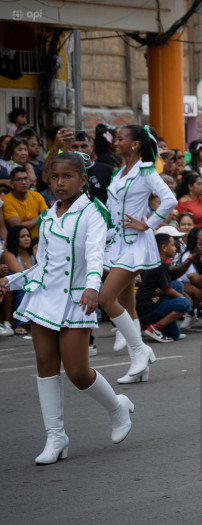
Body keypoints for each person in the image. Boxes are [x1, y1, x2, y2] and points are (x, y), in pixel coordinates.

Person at [0, 151, 134, 464]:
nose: (60, 183)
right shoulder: (47, 215)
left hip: (76, 298)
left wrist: (92, 286)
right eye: (55, 177)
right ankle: (56, 437)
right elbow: (44, 264)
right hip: (44, 298)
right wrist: (13, 282)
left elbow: (95, 253)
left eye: (68, 177)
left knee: (77, 373)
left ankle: (117, 407)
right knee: (45, 367)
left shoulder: (93, 212)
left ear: (83, 180)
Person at [99, 125, 177, 384]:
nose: (116, 141)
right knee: (127, 303)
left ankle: (141, 349)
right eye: (116, 138)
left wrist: (149, 223)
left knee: (106, 297)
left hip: (136, 244)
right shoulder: (119, 172)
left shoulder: (145, 171)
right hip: (118, 243)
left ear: (135, 144)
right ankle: (139, 365)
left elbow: (169, 200)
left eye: (121, 138)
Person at [135, 233, 192, 351]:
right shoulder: (162, 265)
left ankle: (149, 324)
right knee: (185, 304)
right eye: (172, 245)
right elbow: (167, 290)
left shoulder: (152, 261)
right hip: (148, 307)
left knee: (174, 335)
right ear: (164, 248)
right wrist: (183, 298)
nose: (175, 248)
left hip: (145, 305)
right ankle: (153, 328)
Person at [1, 225, 36, 335]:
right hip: (14, 286)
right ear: (15, 239)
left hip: (31, 283)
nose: (27, 239)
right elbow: (20, 274)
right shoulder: (8, 254)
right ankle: (19, 323)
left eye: (28, 236)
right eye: (22, 236)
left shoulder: (32, 254)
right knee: (24, 286)